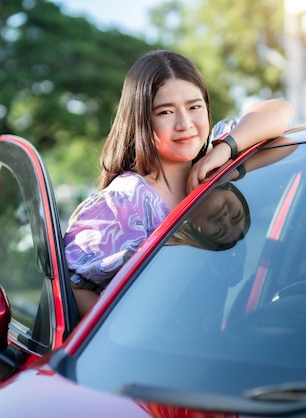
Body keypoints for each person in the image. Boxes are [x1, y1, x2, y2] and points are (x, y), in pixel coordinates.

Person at [63, 50, 292, 316]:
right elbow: (68, 288)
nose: (185, 124)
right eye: (166, 112)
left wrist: (224, 150)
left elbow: (280, 110)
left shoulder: (221, 152)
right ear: (142, 121)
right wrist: (130, 329)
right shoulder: (124, 204)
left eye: (194, 107)